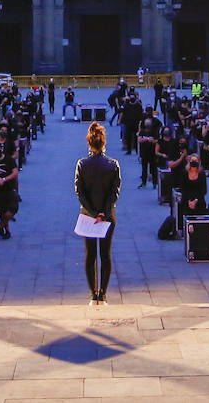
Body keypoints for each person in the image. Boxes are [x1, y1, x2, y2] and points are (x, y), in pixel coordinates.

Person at [74, 122, 121, 305]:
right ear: (104, 144)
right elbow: (114, 193)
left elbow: (80, 192)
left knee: (90, 254)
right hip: (108, 214)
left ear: (89, 144)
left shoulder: (82, 164)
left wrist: (93, 213)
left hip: (88, 215)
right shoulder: (113, 165)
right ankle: (104, 293)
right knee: (106, 254)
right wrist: (103, 212)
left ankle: (93, 294)